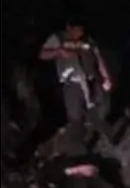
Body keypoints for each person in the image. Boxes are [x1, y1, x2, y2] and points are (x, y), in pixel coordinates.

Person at [39, 19, 113, 151]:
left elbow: (98, 58)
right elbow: (43, 54)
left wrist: (106, 77)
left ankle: (108, 140)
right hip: (72, 84)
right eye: (77, 29)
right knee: (75, 117)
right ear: (69, 27)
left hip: (91, 80)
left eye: (82, 30)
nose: (80, 32)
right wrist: (59, 52)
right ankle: (79, 148)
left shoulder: (87, 40)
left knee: (99, 112)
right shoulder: (58, 38)